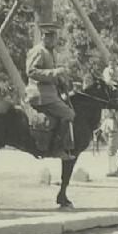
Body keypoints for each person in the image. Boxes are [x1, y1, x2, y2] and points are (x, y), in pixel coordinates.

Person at [25, 22, 75, 160]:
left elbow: (51, 75)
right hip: (40, 94)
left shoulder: (51, 52)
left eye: (54, 36)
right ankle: (57, 149)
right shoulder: (38, 51)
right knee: (69, 114)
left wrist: (60, 79)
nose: (52, 39)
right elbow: (31, 71)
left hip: (49, 93)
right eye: (49, 36)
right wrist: (55, 72)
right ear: (42, 36)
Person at [101, 59, 118, 177]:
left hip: (106, 125)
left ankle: (114, 168)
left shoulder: (105, 96)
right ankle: (111, 170)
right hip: (113, 125)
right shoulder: (115, 98)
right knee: (112, 149)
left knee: (111, 149)